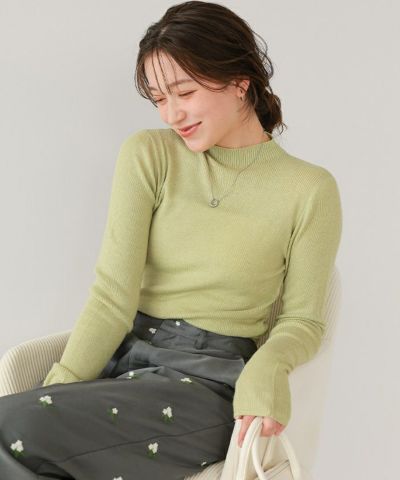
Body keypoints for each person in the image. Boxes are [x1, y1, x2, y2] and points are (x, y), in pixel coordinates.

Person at [0, 1, 342, 479]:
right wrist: (56, 387)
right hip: (128, 363)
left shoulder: (308, 189)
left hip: (208, 384)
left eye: (184, 92)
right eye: (159, 99)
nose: (171, 114)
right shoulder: (150, 155)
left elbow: (303, 319)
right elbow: (112, 297)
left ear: (240, 80)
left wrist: (269, 365)